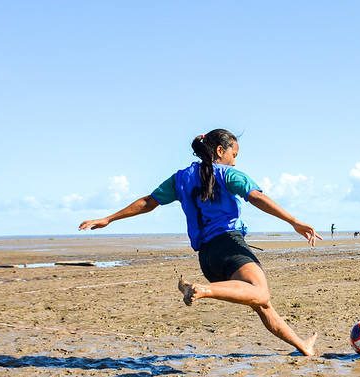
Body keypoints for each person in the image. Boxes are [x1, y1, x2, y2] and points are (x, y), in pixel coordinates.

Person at [78, 129, 321, 356]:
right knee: (260, 292)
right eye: (234, 155)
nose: (234, 162)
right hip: (228, 245)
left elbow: (148, 202)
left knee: (262, 304)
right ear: (220, 151)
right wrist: (294, 221)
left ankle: (302, 345)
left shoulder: (180, 178)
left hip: (206, 257)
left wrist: (109, 218)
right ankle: (202, 290)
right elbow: (255, 197)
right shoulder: (228, 174)